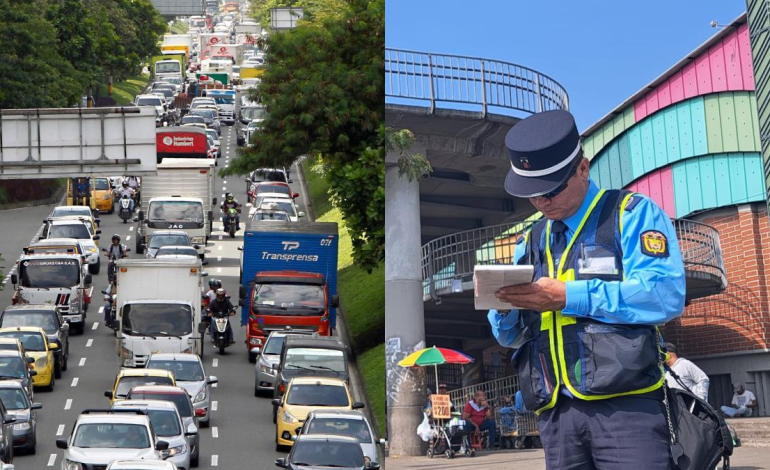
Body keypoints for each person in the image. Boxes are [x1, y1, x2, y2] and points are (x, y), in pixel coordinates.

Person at [487, 110, 686, 469]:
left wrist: (568, 296)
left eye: (550, 190)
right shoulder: (529, 241)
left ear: (583, 168)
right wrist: (503, 308)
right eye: (531, 194)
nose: (541, 202)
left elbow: (664, 295)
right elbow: (509, 339)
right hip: (556, 415)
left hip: (626, 408)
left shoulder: (631, 213)